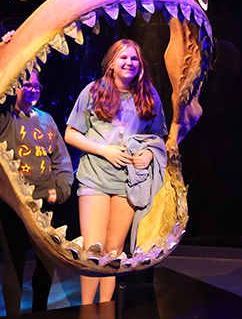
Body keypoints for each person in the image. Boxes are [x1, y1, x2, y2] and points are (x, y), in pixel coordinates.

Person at [65, 39, 168, 304]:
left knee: (113, 251)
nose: (129, 63)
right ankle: (88, 310)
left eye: (134, 59)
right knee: (93, 250)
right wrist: (105, 151)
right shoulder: (93, 91)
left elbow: (158, 137)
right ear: (111, 62)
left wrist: (149, 153)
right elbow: (71, 133)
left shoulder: (149, 95)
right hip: (95, 177)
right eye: (123, 57)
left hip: (128, 182)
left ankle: (105, 309)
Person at [0, 32, 74, 315]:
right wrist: (11, 50)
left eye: (36, 85)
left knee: (47, 260)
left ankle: (39, 317)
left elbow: (62, 162)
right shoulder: (2, 117)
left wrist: (60, 191)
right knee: (15, 261)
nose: (33, 89)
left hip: (42, 203)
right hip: (10, 202)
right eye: (26, 84)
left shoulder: (47, 120)